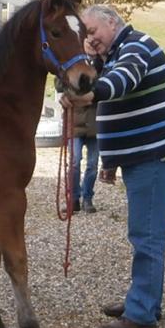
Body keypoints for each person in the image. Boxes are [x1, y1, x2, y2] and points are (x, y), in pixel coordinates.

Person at [61, 4, 165, 328]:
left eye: (92, 32)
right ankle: (145, 300)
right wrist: (111, 161)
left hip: (153, 155)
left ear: (113, 22)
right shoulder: (114, 53)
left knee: (146, 234)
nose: (90, 40)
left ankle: (142, 314)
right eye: (85, 35)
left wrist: (89, 94)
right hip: (142, 155)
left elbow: (122, 83)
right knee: (145, 233)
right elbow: (119, 106)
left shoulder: (136, 46)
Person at [58, 39, 101, 215]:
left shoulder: (102, 63)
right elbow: (59, 84)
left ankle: (87, 197)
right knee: (74, 163)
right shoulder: (72, 62)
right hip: (74, 120)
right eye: (87, 41)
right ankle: (73, 199)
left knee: (92, 164)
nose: (91, 44)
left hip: (95, 123)